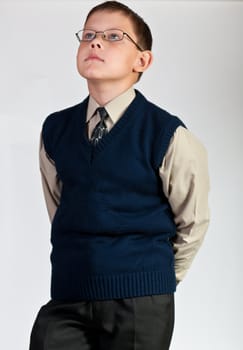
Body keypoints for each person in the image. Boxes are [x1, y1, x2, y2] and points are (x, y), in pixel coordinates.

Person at [29, 1, 210, 349]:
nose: (95, 42)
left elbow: (194, 221)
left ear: (142, 60)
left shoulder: (167, 134)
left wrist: (152, 280)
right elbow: (60, 205)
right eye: (89, 35)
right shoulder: (55, 129)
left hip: (141, 304)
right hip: (69, 293)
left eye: (114, 36)